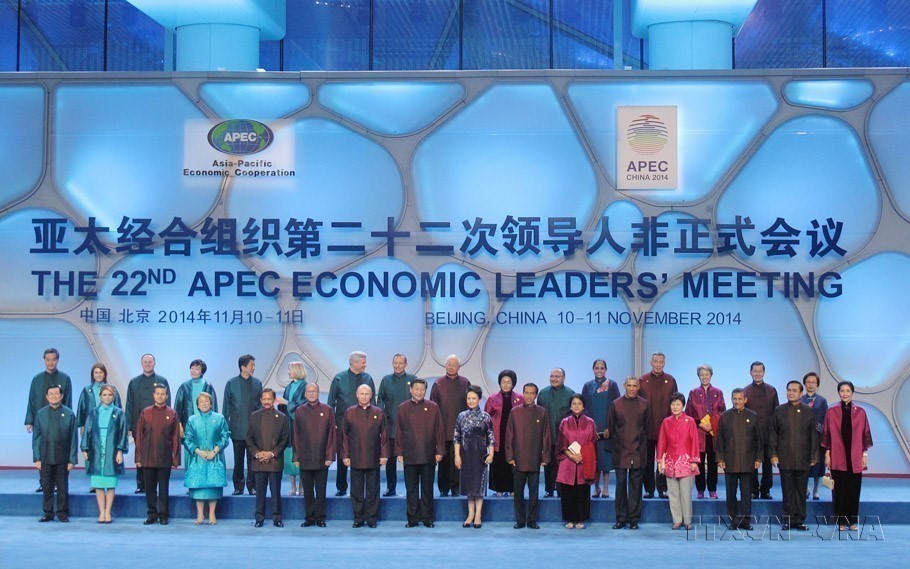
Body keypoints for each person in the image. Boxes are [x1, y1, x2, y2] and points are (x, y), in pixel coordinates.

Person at [822, 380, 873, 531]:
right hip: (838, 456)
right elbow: (827, 435)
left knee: (854, 489)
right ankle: (841, 521)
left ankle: (852, 521)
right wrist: (827, 455)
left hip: (855, 457)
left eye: (848, 391)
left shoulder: (860, 412)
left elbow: (865, 435)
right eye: (842, 391)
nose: (845, 394)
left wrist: (864, 454)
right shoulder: (831, 411)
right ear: (839, 393)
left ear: (852, 393)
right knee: (839, 490)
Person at [770, 380, 818, 531]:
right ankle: (788, 520)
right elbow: (773, 434)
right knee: (788, 490)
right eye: (788, 390)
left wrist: (813, 456)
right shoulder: (779, 410)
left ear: (801, 393)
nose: (791, 393)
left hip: (804, 458)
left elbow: (813, 436)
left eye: (794, 390)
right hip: (785, 457)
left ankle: (800, 520)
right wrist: (773, 454)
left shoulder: (808, 411)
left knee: (801, 490)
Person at [396, 378, 444, 528]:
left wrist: (440, 450)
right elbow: (399, 431)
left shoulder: (433, 407)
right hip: (409, 454)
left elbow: (439, 431)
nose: (419, 392)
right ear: (411, 390)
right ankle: (412, 518)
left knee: (427, 488)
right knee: (411, 488)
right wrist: (399, 451)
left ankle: (427, 518)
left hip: (429, 454)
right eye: (416, 389)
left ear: (425, 391)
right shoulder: (403, 407)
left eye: (422, 389)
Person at [26, 348, 73, 493]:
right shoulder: (37, 379)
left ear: (57, 360)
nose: (51, 362)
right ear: (44, 360)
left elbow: (68, 401)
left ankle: (60, 483)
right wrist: (29, 420)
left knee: (60, 451)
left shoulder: (64, 378)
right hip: (42, 420)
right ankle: (44, 483)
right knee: (43, 450)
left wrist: (70, 420)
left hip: (61, 420)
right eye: (48, 359)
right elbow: (31, 400)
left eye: (53, 359)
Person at [505, 382, 551, 529]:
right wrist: (510, 456)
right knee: (518, 493)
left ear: (536, 395)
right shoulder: (515, 412)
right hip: (518, 459)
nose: (529, 396)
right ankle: (520, 520)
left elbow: (546, 436)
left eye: (532, 393)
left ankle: (531, 519)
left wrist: (545, 457)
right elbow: (509, 435)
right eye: (527, 392)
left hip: (535, 458)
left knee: (534, 492)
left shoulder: (542, 412)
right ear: (523, 393)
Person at [328, 351, 374, 497]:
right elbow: (331, 402)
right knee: (343, 454)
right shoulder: (339, 378)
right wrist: (334, 423)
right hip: (343, 424)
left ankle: (365, 488)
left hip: (366, 426)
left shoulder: (368, 378)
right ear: (354, 363)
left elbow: (373, 402)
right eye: (363, 362)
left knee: (365, 455)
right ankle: (341, 487)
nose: (365, 364)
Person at [341, 385, 388, 528]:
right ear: (357, 395)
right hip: (355, 457)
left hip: (374, 457)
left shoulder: (379, 412)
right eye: (362, 393)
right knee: (356, 490)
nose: (364, 396)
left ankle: (372, 518)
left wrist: (384, 455)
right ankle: (358, 518)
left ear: (371, 395)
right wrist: (345, 455)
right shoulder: (349, 412)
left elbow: (384, 436)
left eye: (367, 394)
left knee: (373, 490)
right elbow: (344, 436)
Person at [81, 384, 128, 523]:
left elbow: (123, 433)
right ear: (100, 396)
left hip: (111, 449)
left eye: (110, 395)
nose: (107, 397)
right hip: (96, 448)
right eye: (104, 395)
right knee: (99, 484)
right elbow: (87, 432)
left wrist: (120, 451)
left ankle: (108, 512)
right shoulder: (93, 412)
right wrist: (85, 448)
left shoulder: (119, 413)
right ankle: (101, 512)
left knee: (110, 483)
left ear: (113, 397)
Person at [715, 388, 761, 530]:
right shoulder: (725, 416)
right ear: (731, 399)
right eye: (735, 398)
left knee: (746, 494)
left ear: (745, 400)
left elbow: (758, 439)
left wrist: (758, 458)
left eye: (740, 398)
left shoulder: (753, 416)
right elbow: (720, 439)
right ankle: (734, 520)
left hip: (748, 461)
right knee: (731, 493)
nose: (737, 401)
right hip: (730, 461)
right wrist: (720, 458)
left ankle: (746, 521)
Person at [607, 376, 649, 530]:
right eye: (629, 385)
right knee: (620, 485)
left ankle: (634, 519)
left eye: (635, 385)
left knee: (636, 486)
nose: (632, 388)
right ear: (624, 385)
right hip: (620, 451)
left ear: (638, 387)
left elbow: (647, 427)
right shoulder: (616, 404)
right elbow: (611, 427)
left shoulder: (644, 404)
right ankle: (621, 518)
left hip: (638, 451)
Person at [135, 384, 180, 525]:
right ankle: (152, 514)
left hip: (164, 457)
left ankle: (163, 515)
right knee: (149, 488)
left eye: (163, 394)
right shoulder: (145, 412)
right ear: (153, 395)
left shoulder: (172, 413)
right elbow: (139, 436)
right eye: (158, 393)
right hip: (147, 458)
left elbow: (176, 438)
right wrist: (138, 458)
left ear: (166, 396)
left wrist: (176, 458)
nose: (160, 396)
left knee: (164, 488)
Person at [293, 382, 336, 528]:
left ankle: (320, 517)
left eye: (314, 391)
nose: (311, 394)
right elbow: (296, 435)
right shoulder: (299, 411)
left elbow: (332, 434)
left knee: (321, 489)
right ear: (305, 394)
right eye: (309, 391)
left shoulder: (328, 410)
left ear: (318, 393)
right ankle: (309, 517)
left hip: (322, 458)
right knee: (308, 490)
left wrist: (330, 456)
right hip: (305, 457)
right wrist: (296, 457)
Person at [125, 353, 170, 494]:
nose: (148, 364)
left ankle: (155, 484)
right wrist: (130, 425)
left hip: (159, 427)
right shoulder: (134, 382)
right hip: (139, 426)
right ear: (141, 364)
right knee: (140, 454)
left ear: (154, 363)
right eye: (145, 362)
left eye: (150, 362)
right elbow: (129, 405)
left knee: (158, 454)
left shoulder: (162, 380)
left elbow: (167, 404)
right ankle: (141, 484)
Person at [183, 391, 230, 525]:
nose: (204, 404)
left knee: (212, 487)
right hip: (197, 458)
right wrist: (199, 452)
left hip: (215, 457)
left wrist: (214, 451)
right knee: (199, 487)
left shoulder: (219, 418)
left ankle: (212, 514)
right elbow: (187, 439)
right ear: (197, 405)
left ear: (211, 403)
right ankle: (200, 515)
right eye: (201, 402)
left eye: (206, 401)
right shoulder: (192, 420)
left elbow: (225, 437)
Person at [32, 385, 78, 522]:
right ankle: (48, 512)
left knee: (62, 486)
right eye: (50, 394)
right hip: (45, 456)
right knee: (47, 485)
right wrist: (37, 457)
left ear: (61, 396)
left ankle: (62, 512)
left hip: (63, 457)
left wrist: (72, 459)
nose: (54, 397)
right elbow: (36, 437)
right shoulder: (41, 414)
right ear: (46, 397)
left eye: (56, 394)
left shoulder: (69, 413)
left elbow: (73, 438)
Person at [247, 388, 289, 527]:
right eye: (264, 399)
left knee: (276, 491)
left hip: (275, 461)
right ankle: (259, 518)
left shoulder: (282, 417)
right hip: (258, 461)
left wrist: (271, 453)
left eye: (269, 399)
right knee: (260, 492)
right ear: (260, 400)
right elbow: (249, 438)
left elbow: (284, 440)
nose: (266, 402)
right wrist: (258, 454)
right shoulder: (254, 416)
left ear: (274, 400)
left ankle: (277, 518)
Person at [657, 392, 699, 530]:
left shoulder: (690, 421)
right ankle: (677, 520)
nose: (675, 407)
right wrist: (659, 461)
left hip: (686, 461)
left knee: (686, 493)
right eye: (673, 404)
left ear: (683, 405)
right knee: (673, 493)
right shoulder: (666, 422)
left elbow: (694, 442)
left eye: (678, 404)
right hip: (670, 461)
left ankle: (687, 521)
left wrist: (694, 461)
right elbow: (662, 442)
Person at [430, 354, 470, 497]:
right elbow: (432, 406)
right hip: (442, 429)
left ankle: (456, 488)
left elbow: (470, 405)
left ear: (459, 367)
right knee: (443, 460)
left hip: (459, 429)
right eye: (449, 364)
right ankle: (443, 488)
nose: (451, 367)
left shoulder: (465, 383)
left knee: (457, 460)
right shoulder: (438, 384)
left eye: (454, 365)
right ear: (445, 365)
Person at [455, 385, 495, 528]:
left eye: (474, 398)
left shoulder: (485, 416)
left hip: (480, 453)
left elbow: (491, 437)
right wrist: (457, 456)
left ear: (479, 399)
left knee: (479, 485)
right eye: (469, 398)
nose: (471, 401)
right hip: (465, 453)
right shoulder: (461, 416)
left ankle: (478, 515)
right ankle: (470, 514)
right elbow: (457, 438)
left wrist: (491, 454)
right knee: (469, 485)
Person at [222, 354, 262, 496]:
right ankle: (239, 486)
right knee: (238, 459)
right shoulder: (231, 383)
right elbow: (226, 406)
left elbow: (260, 406)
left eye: (254, 365)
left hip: (253, 429)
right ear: (243, 367)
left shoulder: (257, 383)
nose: (254, 368)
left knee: (253, 460)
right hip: (237, 428)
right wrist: (226, 427)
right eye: (252, 365)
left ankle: (252, 486)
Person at [556, 394, 597, 529]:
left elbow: (592, 442)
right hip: (567, 461)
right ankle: (569, 519)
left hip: (584, 461)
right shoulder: (564, 422)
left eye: (579, 403)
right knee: (568, 492)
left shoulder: (590, 422)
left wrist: (582, 455)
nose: (576, 406)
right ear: (570, 406)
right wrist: (571, 455)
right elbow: (561, 443)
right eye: (574, 404)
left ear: (583, 406)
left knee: (582, 492)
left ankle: (580, 519)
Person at [639, 352, 677, 499]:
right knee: (647, 461)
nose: (658, 364)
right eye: (655, 361)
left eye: (661, 362)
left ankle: (663, 489)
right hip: (647, 428)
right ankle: (649, 489)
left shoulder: (670, 380)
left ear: (664, 363)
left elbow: (676, 403)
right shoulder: (643, 380)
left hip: (666, 428)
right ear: (651, 362)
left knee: (664, 460)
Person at [580, 359, 620, 498]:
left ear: (606, 370)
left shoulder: (612, 385)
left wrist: (610, 426)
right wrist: (588, 428)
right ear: (593, 369)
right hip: (592, 427)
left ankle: (606, 487)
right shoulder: (587, 386)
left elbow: (616, 406)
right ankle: (595, 487)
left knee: (606, 459)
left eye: (602, 368)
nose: (599, 370)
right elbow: (583, 407)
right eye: (597, 368)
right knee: (594, 458)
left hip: (607, 427)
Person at [377, 353, 415, 497]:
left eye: (401, 363)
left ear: (406, 364)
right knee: (391, 461)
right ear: (392, 364)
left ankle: (410, 490)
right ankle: (390, 488)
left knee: (409, 462)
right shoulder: (386, 380)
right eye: (396, 363)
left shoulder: (412, 379)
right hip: (390, 427)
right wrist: (382, 419)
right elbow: (380, 400)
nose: (398, 365)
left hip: (408, 429)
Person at [685, 364, 725, 499]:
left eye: (707, 374)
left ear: (711, 375)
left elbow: (722, 410)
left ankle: (712, 489)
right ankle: (700, 489)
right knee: (699, 462)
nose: (704, 377)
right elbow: (689, 413)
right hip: (698, 433)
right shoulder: (693, 392)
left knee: (713, 463)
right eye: (702, 374)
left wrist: (712, 425)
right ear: (698, 376)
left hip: (713, 433)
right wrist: (701, 424)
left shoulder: (718, 392)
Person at [484, 369, 523, 497]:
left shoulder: (520, 398)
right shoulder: (492, 398)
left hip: (514, 435)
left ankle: (512, 488)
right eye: (503, 381)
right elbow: (486, 418)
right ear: (499, 383)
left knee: (512, 462)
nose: (505, 384)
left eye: (508, 382)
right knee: (498, 462)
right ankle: (498, 489)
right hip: (497, 434)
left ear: (513, 384)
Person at [743, 361, 779, 500]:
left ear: (764, 373)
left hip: (769, 432)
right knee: (753, 464)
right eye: (755, 371)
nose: (757, 373)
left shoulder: (771, 390)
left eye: (760, 371)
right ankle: (753, 489)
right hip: (751, 434)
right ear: (750, 372)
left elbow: (776, 411)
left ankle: (766, 490)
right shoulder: (745, 391)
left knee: (768, 465)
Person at [174, 359, 218, 470]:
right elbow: (177, 407)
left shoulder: (208, 386)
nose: (193, 371)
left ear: (202, 372)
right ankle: (191, 479)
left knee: (206, 450)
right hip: (189, 425)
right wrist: (179, 425)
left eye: (197, 369)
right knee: (190, 451)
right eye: (192, 368)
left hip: (206, 425)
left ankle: (205, 481)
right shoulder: (184, 386)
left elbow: (214, 407)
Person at [537, 367, 575, 497]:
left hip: (564, 437)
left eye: (557, 376)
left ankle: (561, 489)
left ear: (564, 378)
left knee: (563, 464)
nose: (554, 379)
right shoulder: (543, 393)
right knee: (548, 463)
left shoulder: (570, 393)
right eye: (552, 376)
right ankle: (549, 489)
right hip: (547, 435)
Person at [277, 361, 307, 496]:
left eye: (290, 369)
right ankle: (293, 485)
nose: (288, 372)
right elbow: (284, 406)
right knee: (289, 454)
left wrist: (286, 403)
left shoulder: (305, 386)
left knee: (300, 452)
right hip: (288, 424)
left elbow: (303, 404)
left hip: (300, 424)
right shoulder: (289, 387)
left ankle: (301, 485)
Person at [801, 372, 828, 500]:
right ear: (804, 384)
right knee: (804, 464)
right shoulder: (800, 399)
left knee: (818, 464)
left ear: (817, 385)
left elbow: (825, 418)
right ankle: (805, 489)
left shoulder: (822, 401)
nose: (811, 385)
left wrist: (819, 430)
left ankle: (816, 489)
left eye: (813, 382)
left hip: (817, 437)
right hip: (803, 438)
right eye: (808, 382)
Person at [77, 363, 122, 435]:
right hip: (91, 424)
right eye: (96, 373)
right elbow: (81, 408)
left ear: (105, 374)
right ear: (93, 375)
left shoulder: (112, 389)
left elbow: (118, 407)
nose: (98, 375)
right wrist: (82, 425)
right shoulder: (87, 390)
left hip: (109, 424)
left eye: (101, 372)